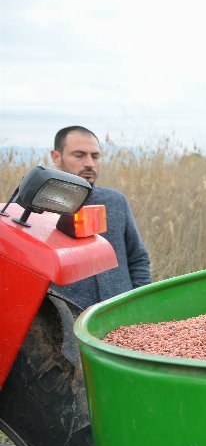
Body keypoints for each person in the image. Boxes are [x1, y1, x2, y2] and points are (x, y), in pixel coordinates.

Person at [49, 126, 152, 309]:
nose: (89, 163)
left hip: (121, 316)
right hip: (63, 324)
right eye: (79, 155)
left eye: (95, 156)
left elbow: (138, 259)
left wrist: (141, 304)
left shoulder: (116, 201)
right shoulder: (33, 207)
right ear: (56, 157)